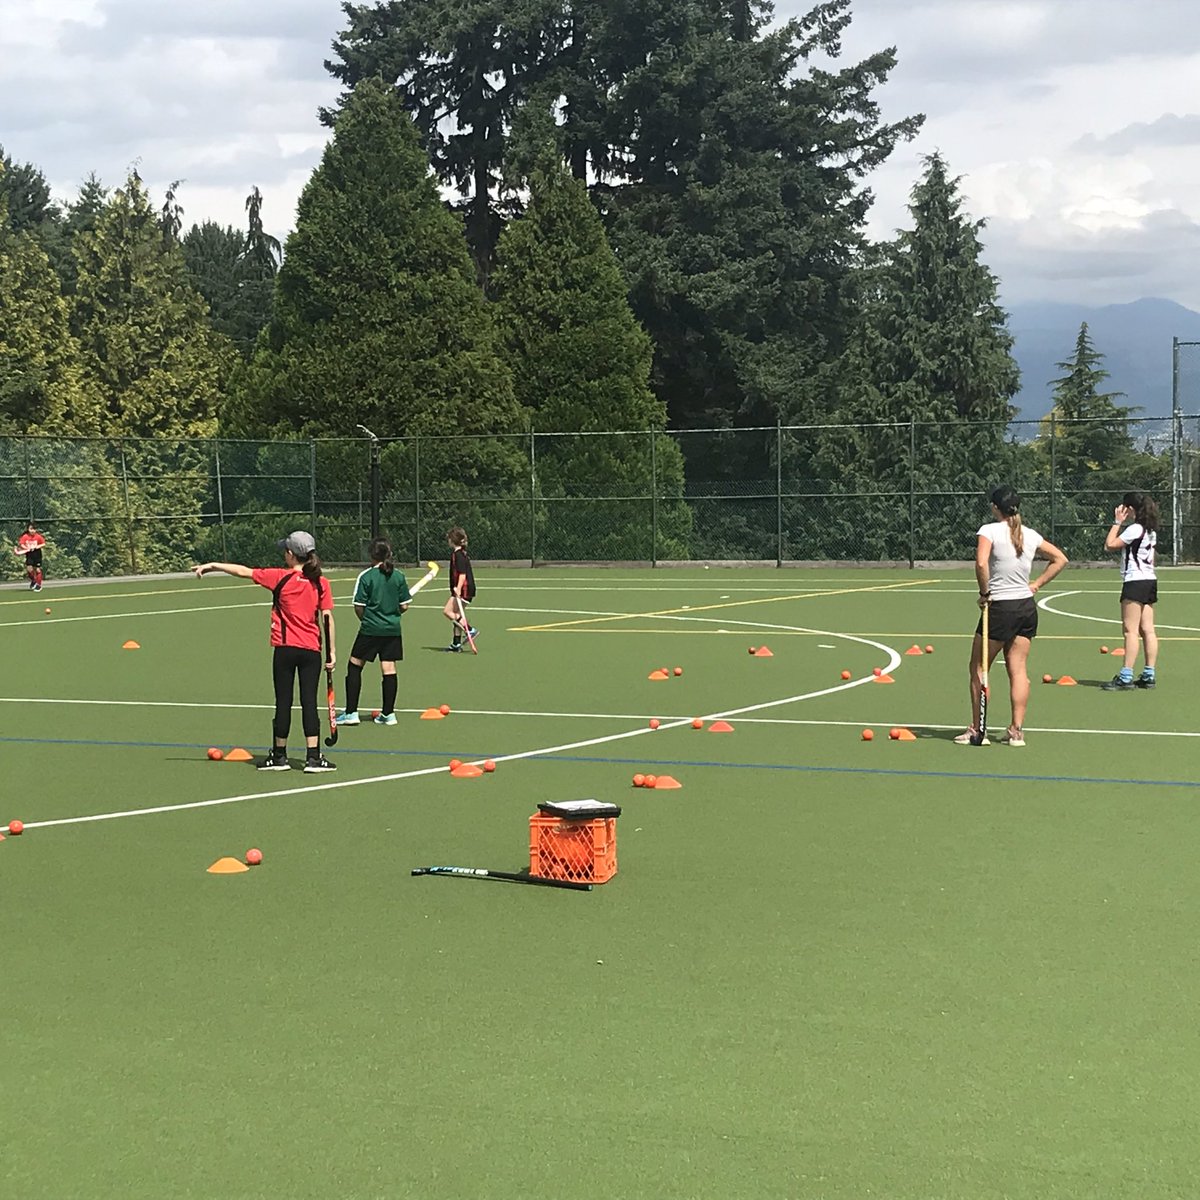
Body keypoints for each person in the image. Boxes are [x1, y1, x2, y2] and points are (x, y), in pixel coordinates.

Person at [192, 531, 336, 773]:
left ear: (291, 554)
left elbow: (243, 571)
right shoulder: (321, 582)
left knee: (283, 701)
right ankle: (313, 757)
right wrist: (332, 653)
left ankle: (279, 756)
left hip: (285, 649)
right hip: (311, 650)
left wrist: (213, 565)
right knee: (309, 702)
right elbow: (328, 618)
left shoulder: (279, 577)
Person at [956, 486, 1068, 748]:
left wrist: (985, 593)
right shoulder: (1029, 534)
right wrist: (1035, 585)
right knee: (1018, 670)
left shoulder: (989, 531)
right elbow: (1060, 559)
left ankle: (978, 730)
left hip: (1001, 608)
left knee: (978, 667)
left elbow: (981, 563)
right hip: (1025, 608)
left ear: (995, 508)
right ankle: (1016, 731)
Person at [336, 538, 412, 727]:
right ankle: (388, 714)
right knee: (389, 669)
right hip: (392, 630)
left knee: (355, 666)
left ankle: (351, 712)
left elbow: (358, 606)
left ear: (371, 555)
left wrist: (367, 620)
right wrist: (392, 613)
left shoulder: (366, 576)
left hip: (370, 629)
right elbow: (404, 606)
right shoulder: (399, 576)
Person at [1101, 490, 1159, 691]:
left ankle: (1126, 676)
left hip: (1135, 581)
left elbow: (1109, 545)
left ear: (1130, 509)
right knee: (1148, 630)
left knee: (1130, 631)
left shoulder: (1134, 529)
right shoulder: (1150, 530)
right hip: (1149, 580)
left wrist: (1117, 522)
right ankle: (1149, 674)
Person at [442, 526, 477, 652]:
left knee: (447, 611)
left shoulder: (458, 555)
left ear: (452, 540)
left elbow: (462, 574)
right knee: (457, 615)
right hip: (465, 589)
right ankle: (456, 644)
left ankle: (470, 629)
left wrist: (458, 588)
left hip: (464, 590)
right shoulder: (459, 554)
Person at [14, 522, 46, 591]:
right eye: (31, 529)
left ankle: (38, 585)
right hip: (29, 554)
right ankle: (34, 580)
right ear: (28, 529)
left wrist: (36, 547)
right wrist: (26, 548)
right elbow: (22, 544)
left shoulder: (38, 536)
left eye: (34, 529)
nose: (32, 531)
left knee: (37, 570)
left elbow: (43, 544)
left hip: (37, 554)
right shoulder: (25, 536)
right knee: (29, 569)